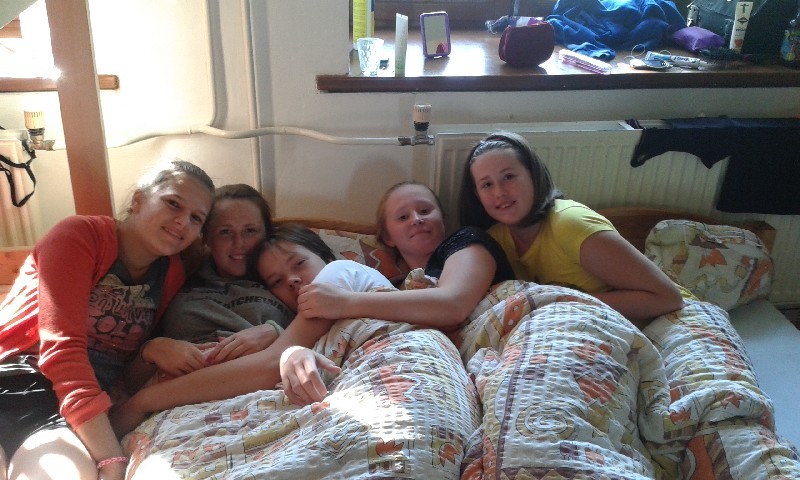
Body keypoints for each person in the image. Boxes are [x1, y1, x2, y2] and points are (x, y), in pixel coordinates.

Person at [0, 159, 215, 480]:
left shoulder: (171, 275)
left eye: (196, 218)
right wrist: (111, 458)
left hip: (67, 411)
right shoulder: (80, 235)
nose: (183, 221)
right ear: (138, 200)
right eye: (173, 204)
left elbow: (121, 369)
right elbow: (62, 352)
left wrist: (151, 351)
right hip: (18, 377)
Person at [109, 223, 382, 436]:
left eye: (299, 263)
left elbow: (271, 363)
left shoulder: (338, 272)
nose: (292, 279)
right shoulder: (179, 285)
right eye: (276, 281)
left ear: (324, 256)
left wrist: (143, 401)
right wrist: (152, 350)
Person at [458, 131, 683, 327]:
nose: (499, 192)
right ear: (477, 195)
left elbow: (668, 297)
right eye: (487, 184)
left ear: (533, 176)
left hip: (649, 324)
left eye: (509, 177)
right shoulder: (492, 241)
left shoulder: (571, 224)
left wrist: (561, 302)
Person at [295, 181, 515, 331]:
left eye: (425, 211)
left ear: (444, 220)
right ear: (388, 237)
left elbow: (453, 305)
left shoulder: (466, 240)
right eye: (403, 217)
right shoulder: (390, 290)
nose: (416, 219)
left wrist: (345, 302)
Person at [157, 184, 293, 365]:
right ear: (206, 237)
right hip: (182, 377)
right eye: (225, 232)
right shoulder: (176, 275)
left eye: (250, 231)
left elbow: (319, 324)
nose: (239, 243)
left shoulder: (285, 277)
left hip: (265, 370)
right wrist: (154, 347)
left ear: (267, 234)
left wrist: (277, 332)